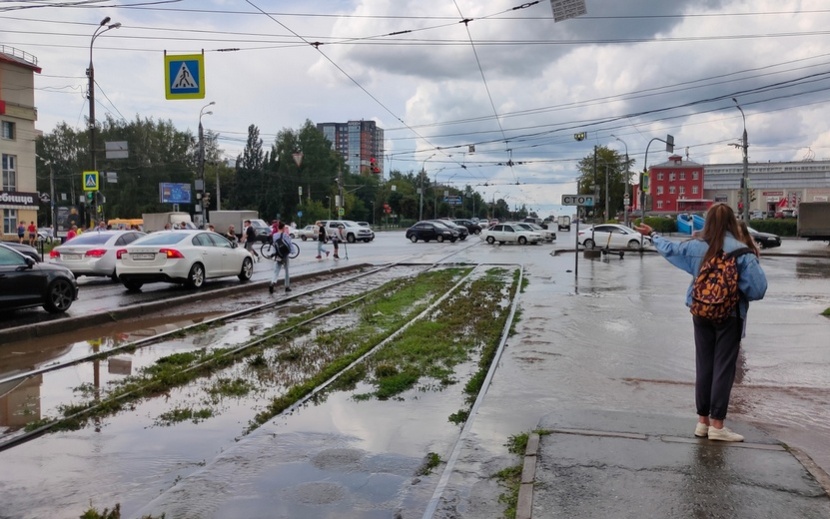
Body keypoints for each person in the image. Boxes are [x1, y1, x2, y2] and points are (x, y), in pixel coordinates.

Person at [634, 203, 767, 442]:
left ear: (706, 222)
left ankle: (702, 422)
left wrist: (653, 234)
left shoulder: (694, 247)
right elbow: (758, 290)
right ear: (731, 222)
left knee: (703, 365)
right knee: (723, 369)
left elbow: (670, 250)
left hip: (701, 311)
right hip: (731, 315)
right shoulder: (742, 252)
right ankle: (718, 425)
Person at [268, 221, 292, 294]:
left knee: (276, 270)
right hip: (285, 255)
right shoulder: (286, 235)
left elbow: (274, 245)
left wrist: (273, 254)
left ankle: (273, 282)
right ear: (284, 228)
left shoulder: (275, 236)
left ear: (278, 227)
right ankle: (287, 286)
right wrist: (291, 252)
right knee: (286, 270)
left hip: (278, 255)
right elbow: (290, 245)